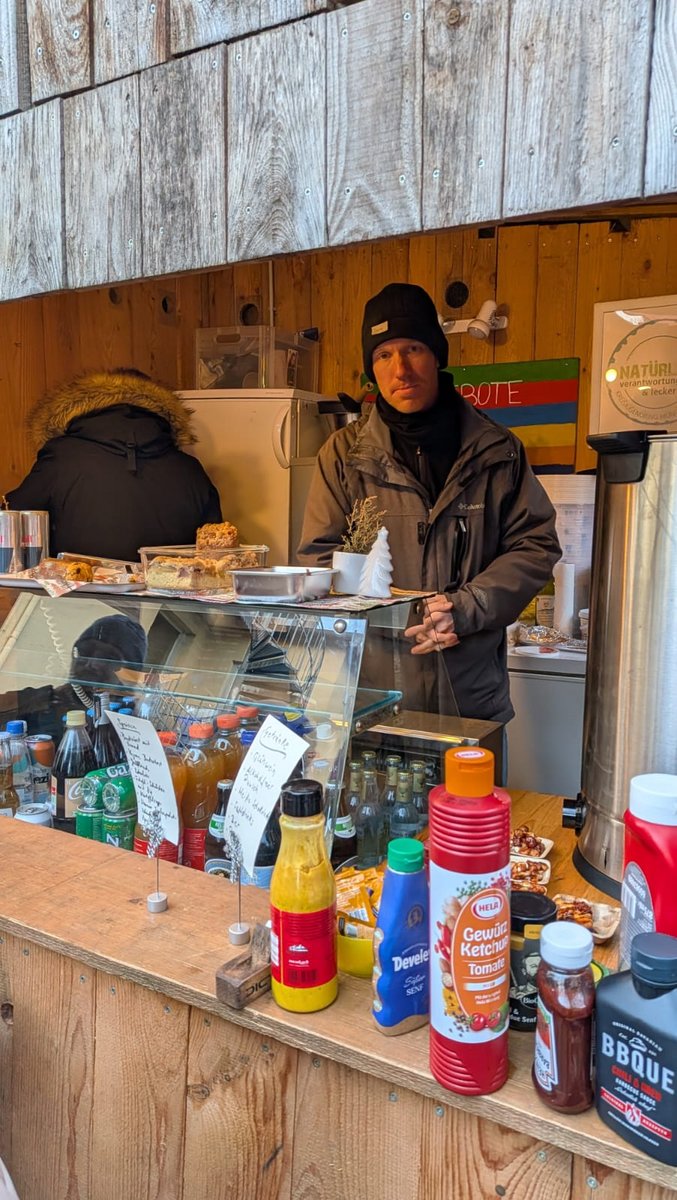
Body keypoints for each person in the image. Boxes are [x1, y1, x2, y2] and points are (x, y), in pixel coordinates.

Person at [297, 282, 561, 725]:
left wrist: (465, 608)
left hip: (470, 696)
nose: (400, 369)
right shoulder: (343, 456)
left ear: (437, 355)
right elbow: (318, 558)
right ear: (371, 369)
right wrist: (395, 617)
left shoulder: (497, 450)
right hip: (376, 696)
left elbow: (535, 545)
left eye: (413, 348)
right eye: (384, 355)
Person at [6, 368, 222, 561]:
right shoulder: (190, 469)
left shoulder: (61, 458)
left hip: (79, 590)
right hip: (168, 592)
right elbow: (216, 550)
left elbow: (10, 521)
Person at [0, 613, 148, 743]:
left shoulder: (135, 717)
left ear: (128, 669)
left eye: (107, 658)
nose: (91, 663)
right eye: (85, 651)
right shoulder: (38, 700)